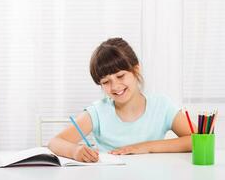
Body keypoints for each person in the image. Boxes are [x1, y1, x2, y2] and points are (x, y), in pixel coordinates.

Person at [48, 37, 195, 163]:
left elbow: (199, 139)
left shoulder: (161, 106)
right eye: (106, 82)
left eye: (120, 76)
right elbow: (54, 143)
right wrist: (75, 151)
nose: (115, 86)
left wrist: (146, 147)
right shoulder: (98, 112)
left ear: (136, 70)